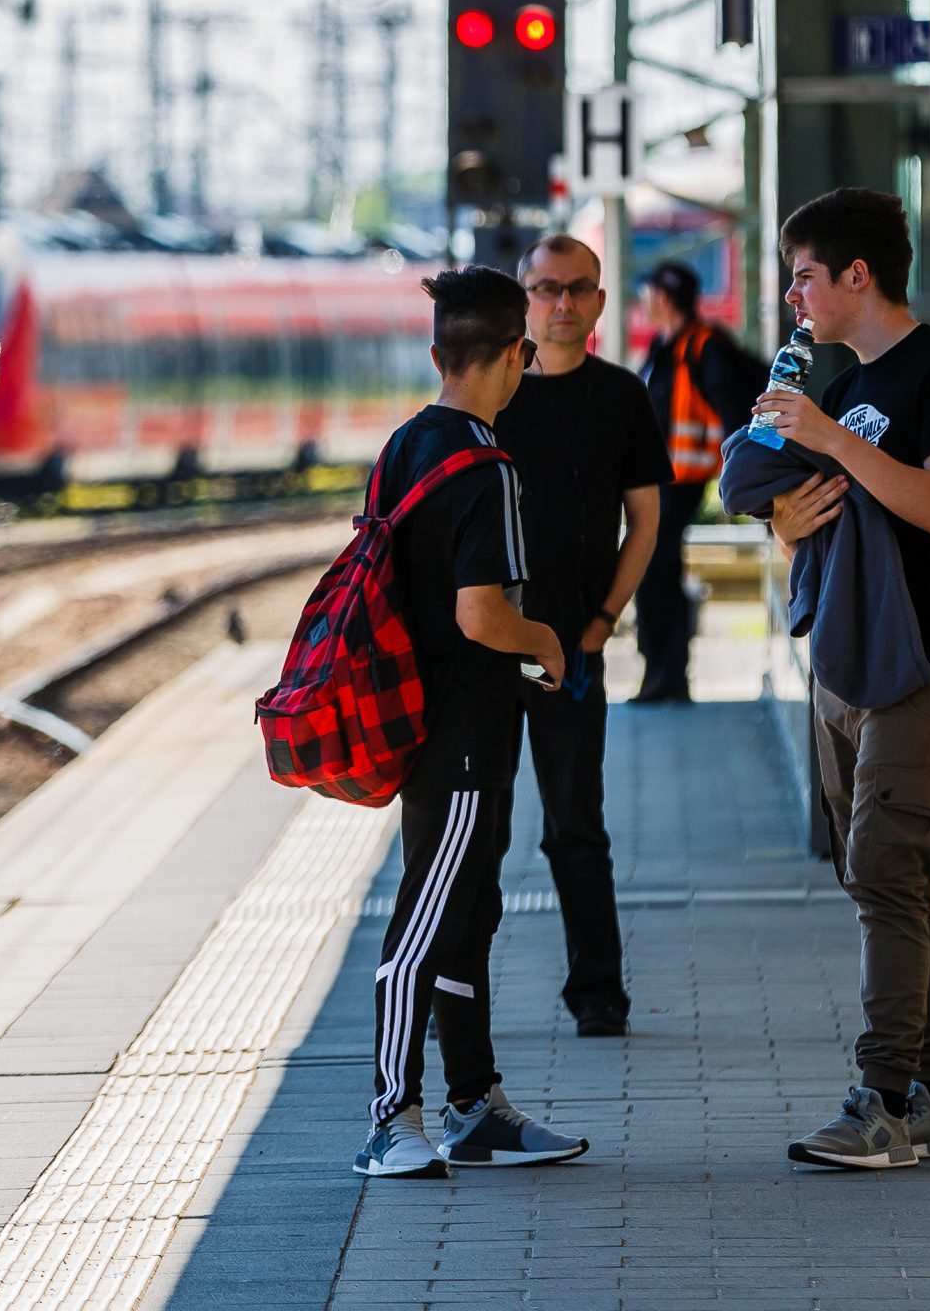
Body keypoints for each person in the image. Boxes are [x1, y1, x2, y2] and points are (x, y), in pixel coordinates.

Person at [750, 188, 930, 1171]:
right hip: (844, 661)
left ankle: (882, 1101)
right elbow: (832, 505)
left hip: (922, 662)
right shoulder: (847, 384)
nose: (791, 295)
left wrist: (834, 438)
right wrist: (787, 513)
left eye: (804, 274)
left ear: (858, 274)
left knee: (888, 873)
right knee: (885, 878)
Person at [354, 266, 588, 1180]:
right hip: (462, 732)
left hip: (424, 720)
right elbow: (482, 613)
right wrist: (552, 643)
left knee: (466, 916)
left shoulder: (405, 444)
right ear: (517, 357)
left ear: (437, 354)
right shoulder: (486, 466)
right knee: (423, 922)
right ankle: (389, 1119)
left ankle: (472, 1104)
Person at [499, 234, 667, 1038]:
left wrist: (601, 625)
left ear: (600, 302)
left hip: (563, 656)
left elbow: (647, 521)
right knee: (475, 822)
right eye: (545, 289)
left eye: (577, 289)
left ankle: (598, 990)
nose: (561, 303)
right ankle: (455, 993)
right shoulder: (490, 399)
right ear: (524, 300)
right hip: (493, 650)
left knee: (574, 819)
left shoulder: (621, 396)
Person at [633, 261, 761, 703]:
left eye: (647, 292)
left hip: (683, 479)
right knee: (656, 568)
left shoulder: (705, 345)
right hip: (658, 478)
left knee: (653, 566)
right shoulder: (662, 344)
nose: (642, 301)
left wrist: (739, 473)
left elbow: (730, 408)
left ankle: (667, 674)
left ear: (663, 298)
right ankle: (662, 673)